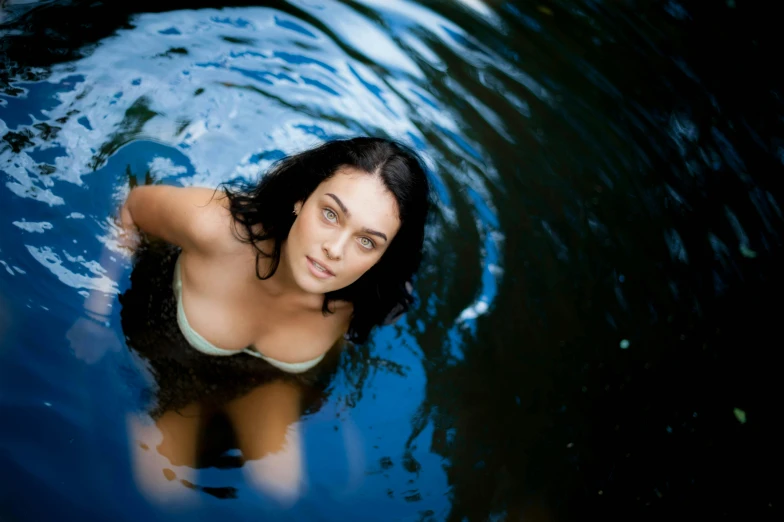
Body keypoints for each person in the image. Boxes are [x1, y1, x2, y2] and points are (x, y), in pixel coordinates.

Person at [69, 136, 432, 503]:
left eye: (367, 242)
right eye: (330, 214)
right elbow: (132, 208)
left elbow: (345, 345)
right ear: (301, 199)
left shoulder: (367, 299)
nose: (335, 250)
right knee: (164, 492)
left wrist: (335, 409)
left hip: (271, 381)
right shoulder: (213, 227)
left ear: (383, 256)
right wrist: (93, 313)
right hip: (170, 364)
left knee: (281, 492)